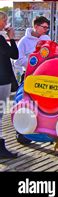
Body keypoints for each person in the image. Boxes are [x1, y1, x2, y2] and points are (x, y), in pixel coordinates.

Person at [0, 11, 19, 158]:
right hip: (2, 80)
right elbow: (14, 54)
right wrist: (11, 38)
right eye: (4, 19)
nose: (6, 22)